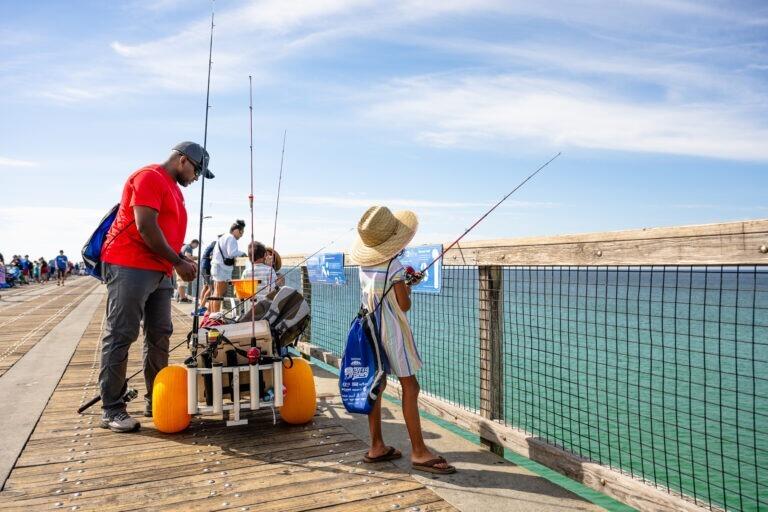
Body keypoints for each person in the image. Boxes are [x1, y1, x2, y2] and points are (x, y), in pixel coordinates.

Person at [98, 141, 212, 433]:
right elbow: (146, 226)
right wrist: (177, 261)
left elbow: (165, 231)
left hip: (161, 270)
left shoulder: (174, 188)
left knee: (160, 334)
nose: (197, 177)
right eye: (197, 170)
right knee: (121, 333)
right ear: (183, 160)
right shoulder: (149, 176)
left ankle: (157, 400)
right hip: (130, 264)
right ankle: (112, 409)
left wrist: (180, 257)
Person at [350, 205, 456, 474]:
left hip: (369, 329)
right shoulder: (394, 266)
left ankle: (376, 446)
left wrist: (403, 283)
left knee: (376, 385)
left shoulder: (364, 265)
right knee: (411, 387)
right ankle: (419, 451)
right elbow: (403, 305)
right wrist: (407, 286)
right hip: (392, 333)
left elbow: (379, 292)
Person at [208, 220, 246, 313]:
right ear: (236, 230)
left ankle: (211, 314)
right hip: (222, 269)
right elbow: (232, 253)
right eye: (241, 232)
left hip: (217, 267)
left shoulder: (223, 237)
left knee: (216, 293)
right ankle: (215, 315)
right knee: (219, 294)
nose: (241, 235)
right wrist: (243, 253)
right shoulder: (231, 238)